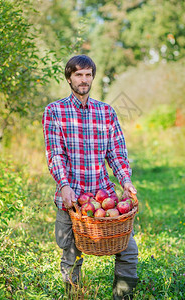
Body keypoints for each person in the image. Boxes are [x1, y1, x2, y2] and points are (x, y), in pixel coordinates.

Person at [42, 55, 138, 299]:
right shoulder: (55, 111)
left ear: (93, 77)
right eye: (78, 75)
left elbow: (116, 154)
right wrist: (64, 186)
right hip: (73, 199)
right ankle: (73, 295)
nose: (83, 80)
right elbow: (55, 153)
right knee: (71, 253)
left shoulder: (105, 112)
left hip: (102, 194)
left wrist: (125, 181)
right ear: (69, 78)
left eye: (88, 75)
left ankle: (122, 296)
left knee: (127, 251)